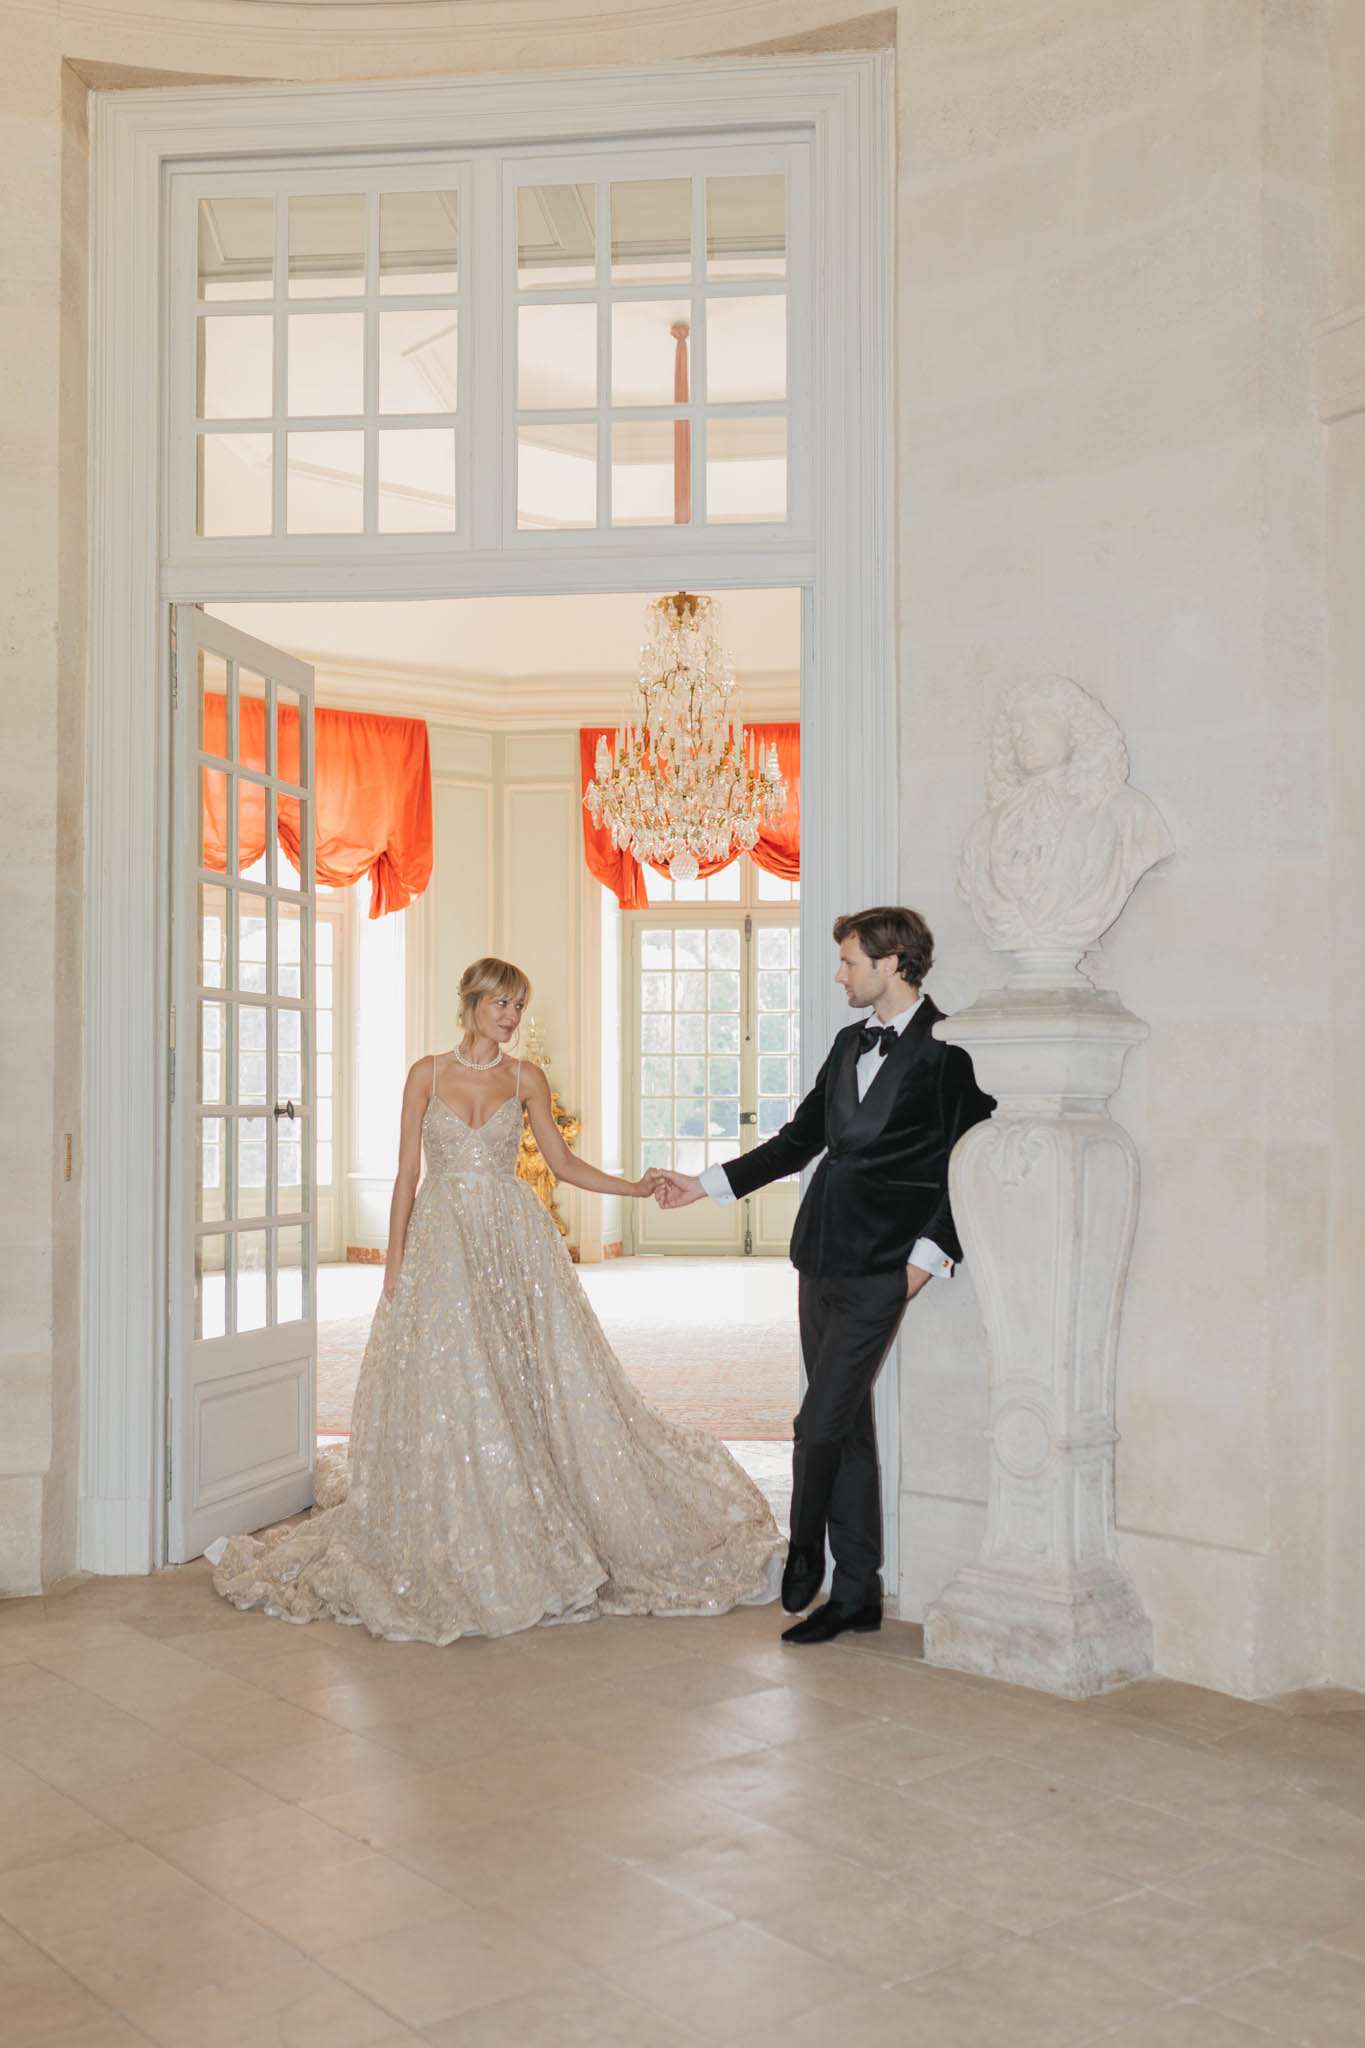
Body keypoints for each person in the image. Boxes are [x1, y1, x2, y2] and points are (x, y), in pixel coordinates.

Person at [210, 955, 783, 1643]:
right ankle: (462, 1501)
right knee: (453, 1369)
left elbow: (561, 1164)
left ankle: (527, 1486)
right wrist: (393, 1262)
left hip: (512, 1240)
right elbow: (406, 1173)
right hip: (443, 1238)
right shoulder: (425, 1074)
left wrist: (634, 1188)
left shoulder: (524, 1077)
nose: (511, 1017)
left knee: (524, 1369)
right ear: (472, 1003)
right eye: (501, 1004)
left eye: (518, 1006)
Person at [656, 907, 994, 1645]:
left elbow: (968, 1165)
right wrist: (704, 1185)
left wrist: (922, 1264)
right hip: (819, 1255)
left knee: (816, 1424)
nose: (839, 975)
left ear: (892, 963)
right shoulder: (848, 1043)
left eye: (849, 962)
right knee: (846, 1426)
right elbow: (797, 1141)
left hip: (884, 1267)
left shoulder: (949, 1051)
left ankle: (804, 1549)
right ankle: (858, 1592)